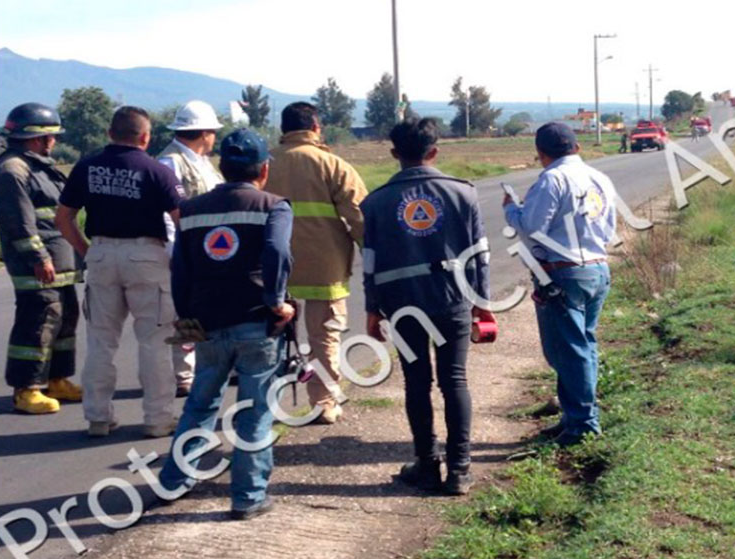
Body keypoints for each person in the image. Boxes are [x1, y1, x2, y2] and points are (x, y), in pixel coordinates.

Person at [157, 128, 294, 521]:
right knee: (254, 411)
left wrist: (186, 315)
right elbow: (277, 251)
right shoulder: (274, 206)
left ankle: (173, 482)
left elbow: (180, 270)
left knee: (199, 405)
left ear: (222, 166)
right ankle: (248, 496)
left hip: (208, 323)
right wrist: (277, 300)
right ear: (264, 169)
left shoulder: (193, 210)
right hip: (256, 323)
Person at [361, 117, 493, 495]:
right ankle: (460, 470)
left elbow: (369, 261)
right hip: (452, 299)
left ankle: (427, 464)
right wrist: (482, 302)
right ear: (434, 152)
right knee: (455, 379)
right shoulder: (463, 194)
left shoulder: (375, 202)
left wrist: (372, 308)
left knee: (416, 382)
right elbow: (480, 253)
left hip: (401, 306)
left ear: (394, 154)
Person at [56, 106, 186, 438]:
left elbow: (63, 218)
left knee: (101, 341)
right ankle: (157, 419)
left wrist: (88, 251)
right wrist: (179, 260)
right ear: (145, 136)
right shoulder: (156, 170)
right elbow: (180, 220)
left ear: (110, 133)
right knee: (155, 342)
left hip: (101, 253)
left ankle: (98, 417)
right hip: (146, 256)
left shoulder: (86, 167)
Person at [502, 122, 617, 447]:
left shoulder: (552, 179)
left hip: (564, 273)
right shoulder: (601, 179)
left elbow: (531, 227)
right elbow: (609, 228)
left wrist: (511, 209)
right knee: (583, 345)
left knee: (568, 350)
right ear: (577, 147)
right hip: (596, 269)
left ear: (541, 154)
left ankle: (582, 424)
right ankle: (574, 415)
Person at [265, 102, 367, 425]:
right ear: (316, 128)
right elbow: (360, 218)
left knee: (270, 336)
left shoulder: (265, 165)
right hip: (326, 268)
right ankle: (323, 403)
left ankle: (261, 408)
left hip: (273, 267)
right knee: (324, 336)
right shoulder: (333, 165)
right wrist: (376, 259)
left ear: (284, 130)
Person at [0, 103, 82, 414]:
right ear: (37, 137)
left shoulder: (37, 164)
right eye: (51, 136)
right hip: (38, 264)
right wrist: (38, 256)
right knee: (38, 322)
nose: (54, 141)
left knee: (65, 317)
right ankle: (26, 388)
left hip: (59, 262)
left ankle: (56, 379)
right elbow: (18, 221)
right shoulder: (12, 170)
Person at [157, 100, 225, 397]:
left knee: (208, 308)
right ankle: (183, 374)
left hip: (208, 249)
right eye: (212, 132)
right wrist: (175, 252)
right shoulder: (170, 162)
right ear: (204, 132)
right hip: (184, 248)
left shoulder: (201, 161)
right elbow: (165, 211)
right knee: (183, 310)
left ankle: (209, 366)